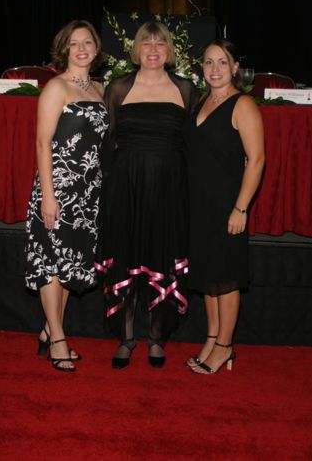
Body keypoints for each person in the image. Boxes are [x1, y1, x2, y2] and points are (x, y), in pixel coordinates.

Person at [95, 21, 198, 369]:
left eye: (160, 44)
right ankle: (126, 338)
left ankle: (157, 338)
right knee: (127, 254)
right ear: (136, 50)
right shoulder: (118, 88)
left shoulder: (185, 89)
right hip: (125, 188)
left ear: (170, 51)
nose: (153, 49)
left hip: (169, 190)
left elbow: (192, 147)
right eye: (146, 43)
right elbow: (107, 143)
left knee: (160, 256)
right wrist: (108, 192)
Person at [25, 20, 109, 372]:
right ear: (65, 49)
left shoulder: (101, 89)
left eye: (87, 42)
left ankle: (49, 329)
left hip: (88, 192)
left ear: (96, 48)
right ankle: (58, 338)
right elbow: (43, 143)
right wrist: (48, 196)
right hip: (57, 187)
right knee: (51, 263)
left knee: (69, 264)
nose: (81, 48)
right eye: (74, 43)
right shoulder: (56, 88)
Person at [184, 39, 265, 374]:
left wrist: (241, 208)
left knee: (227, 279)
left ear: (234, 67)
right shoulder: (201, 102)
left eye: (222, 62)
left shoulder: (242, 104)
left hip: (227, 205)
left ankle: (226, 347)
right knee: (208, 278)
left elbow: (257, 160)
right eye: (208, 62)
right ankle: (212, 338)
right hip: (199, 205)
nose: (214, 69)